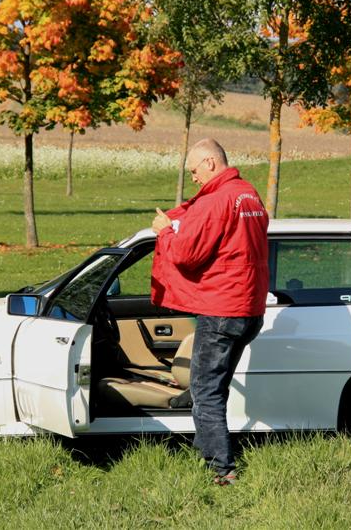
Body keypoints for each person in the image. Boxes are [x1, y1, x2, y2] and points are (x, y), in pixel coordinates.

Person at [149, 138, 269, 485]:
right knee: (215, 387)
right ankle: (207, 450)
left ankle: (221, 470)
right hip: (249, 309)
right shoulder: (249, 194)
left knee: (205, 391)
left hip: (221, 310)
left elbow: (187, 254)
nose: (193, 179)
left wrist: (163, 233)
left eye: (194, 171)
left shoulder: (215, 201)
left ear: (210, 163)